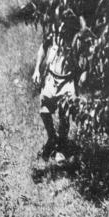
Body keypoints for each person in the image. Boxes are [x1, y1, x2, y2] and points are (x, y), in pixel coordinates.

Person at [32, 28, 76, 163]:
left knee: (64, 114)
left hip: (67, 79)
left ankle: (61, 148)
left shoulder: (77, 28)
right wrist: (37, 69)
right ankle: (52, 137)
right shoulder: (55, 25)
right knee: (44, 111)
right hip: (51, 76)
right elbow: (44, 46)